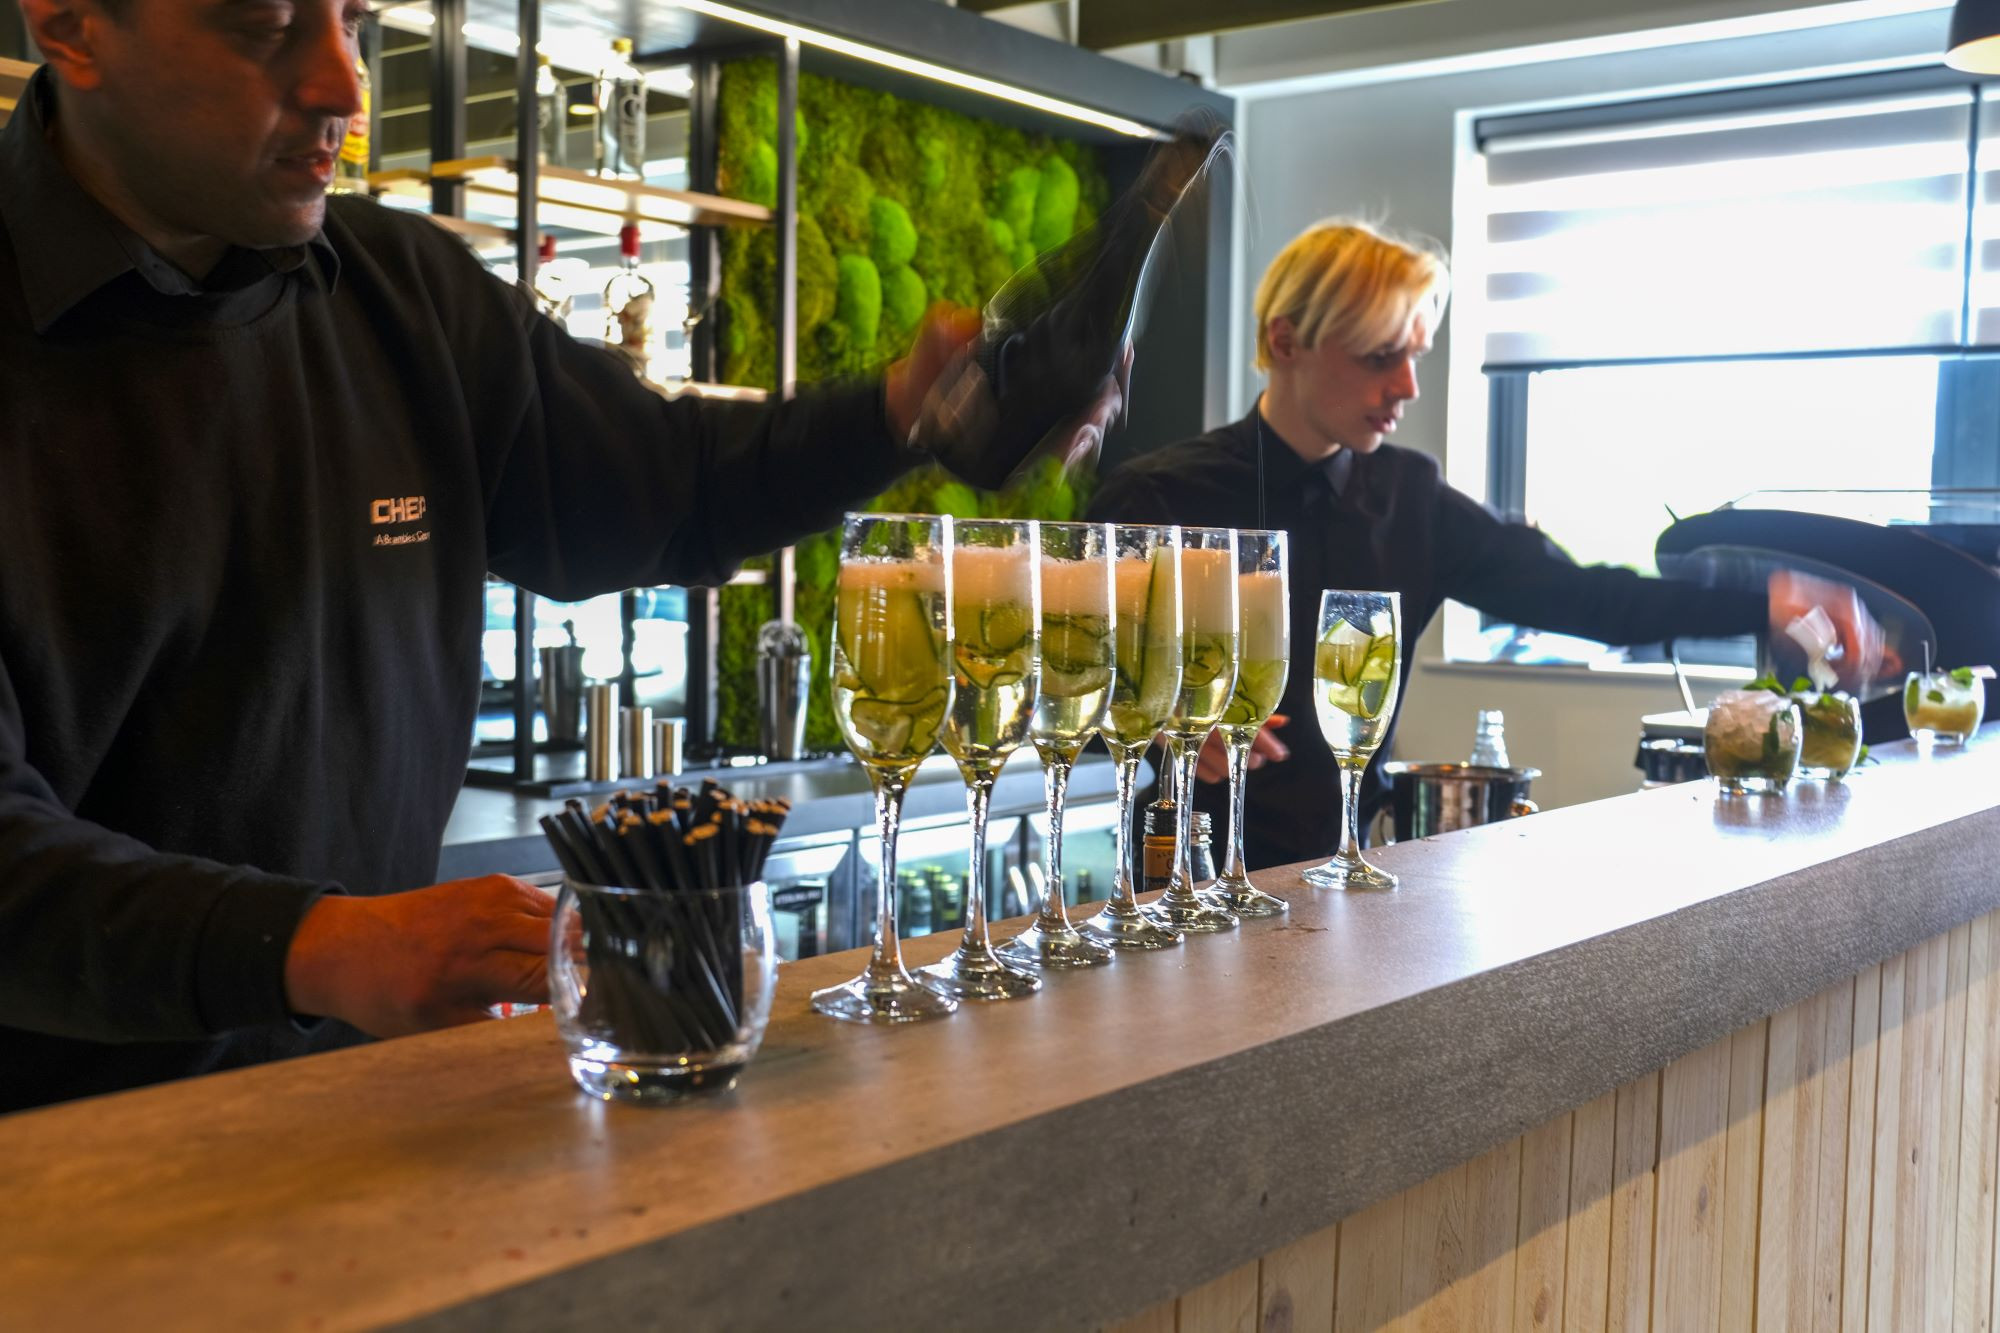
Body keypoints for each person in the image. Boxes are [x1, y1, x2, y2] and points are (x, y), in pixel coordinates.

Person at [0, 0, 1120, 1110]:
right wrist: (320, 946)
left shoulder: (403, 296)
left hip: (372, 1115)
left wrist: (900, 411)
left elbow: (668, 487)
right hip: (59, 1171)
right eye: (264, 23)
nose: (344, 84)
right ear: (71, 26)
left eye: (352, 20)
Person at [1086, 218, 1881, 871]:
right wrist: (1160, 724)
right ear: (1286, 341)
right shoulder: (1158, 497)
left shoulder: (1412, 497)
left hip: (1343, 884)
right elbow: (1074, 690)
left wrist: (1765, 598)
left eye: (1416, 357)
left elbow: (1584, 597)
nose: (1408, 386)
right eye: (1380, 356)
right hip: (1171, 887)